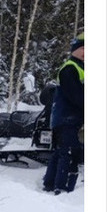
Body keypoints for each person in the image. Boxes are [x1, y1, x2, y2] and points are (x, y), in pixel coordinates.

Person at [43, 32, 84, 194]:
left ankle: (49, 183)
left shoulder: (81, 68)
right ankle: (62, 188)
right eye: (83, 48)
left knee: (60, 152)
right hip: (66, 118)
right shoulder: (69, 69)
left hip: (70, 118)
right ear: (74, 49)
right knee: (69, 152)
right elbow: (76, 96)